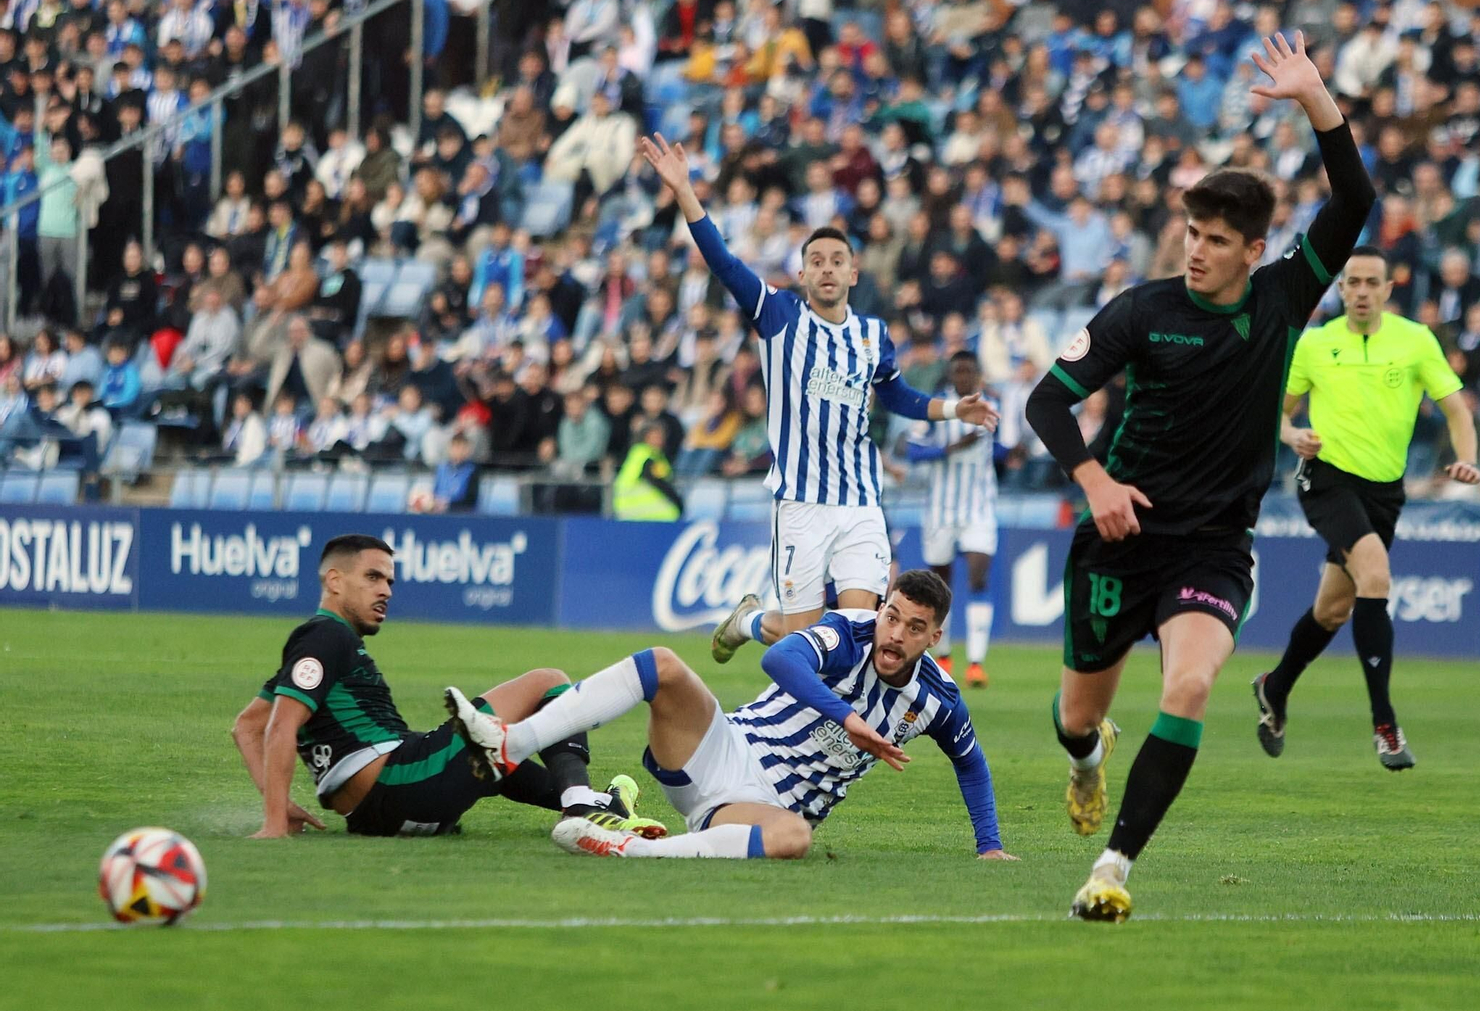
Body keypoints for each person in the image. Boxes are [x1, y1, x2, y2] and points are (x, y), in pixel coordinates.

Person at [1022, 32, 1376, 922]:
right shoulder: (1142, 310)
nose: (1198, 251)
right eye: (1192, 234)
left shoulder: (1283, 298)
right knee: (1075, 716)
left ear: (1255, 250)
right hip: (1119, 538)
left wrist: (1315, 98)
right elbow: (1046, 402)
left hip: (1213, 547)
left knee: (1188, 687)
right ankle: (1086, 760)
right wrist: (1094, 480)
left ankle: (1112, 868)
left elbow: (1355, 199)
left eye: (1217, 240)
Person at [638, 133, 998, 643]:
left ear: (853, 272)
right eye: (817, 261)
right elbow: (724, 263)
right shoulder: (779, 315)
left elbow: (895, 394)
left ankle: (821, 685)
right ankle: (748, 623)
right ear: (802, 273)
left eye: (837, 260)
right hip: (801, 503)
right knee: (803, 640)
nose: (827, 268)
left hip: (860, 501)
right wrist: (684, 192)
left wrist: (952, 410)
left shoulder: (873, 334)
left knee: (857, 629)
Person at [446, 570, 1017, 863]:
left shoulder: (937, 698)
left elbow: (971, 762)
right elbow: (779, 658)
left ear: (934, 637)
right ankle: (511, 743)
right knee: (663, 663)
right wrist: (847, 718)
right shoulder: (851, 631)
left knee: (795, 838)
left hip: (760, 811)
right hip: (720, 748)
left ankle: (628, 848)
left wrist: (989, 845)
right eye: (892, 616)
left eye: (914, 628)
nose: (894, 634)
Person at [231, 534, 664, 839]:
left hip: (374, 816)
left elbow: (247, 726)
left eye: (389, 581)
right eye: (373, 577)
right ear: (334, 581)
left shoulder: (323, 645)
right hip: (402, 783)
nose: (385, 591)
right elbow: (277, 726)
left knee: (494, 751)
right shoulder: (325, 635)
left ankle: (601, 804)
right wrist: (275, 821)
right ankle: (582, 803)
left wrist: (277, 802)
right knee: (548, 681)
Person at [1259, 247, 1480, 769]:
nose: (1361, 291)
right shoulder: (1316, 344)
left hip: (1385, 491)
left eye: (1371, 282)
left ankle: (1275, 687)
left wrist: (1468, 459)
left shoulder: (1415, 340)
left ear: (1387, 290)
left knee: (1333, 610)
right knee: (1375, 576)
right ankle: (1385, 725)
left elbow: (1457, 411)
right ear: (1341, 289)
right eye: (1352, 282)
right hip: (1327, 480)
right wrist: (1291, 435)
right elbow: (1273, 413)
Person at [903, 351, 1003, 688]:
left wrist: (1011, 453)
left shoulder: (992, 405)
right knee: (940, 584)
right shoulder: (937, 408)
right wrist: (951, 448)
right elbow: (913, 450)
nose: (963, 376)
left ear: (977, 374)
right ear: (950, 374)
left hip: (979, 508)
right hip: (940, 510)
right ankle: (944, 655)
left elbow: (1000, 446)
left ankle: (976, 663)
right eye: (958, 371)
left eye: (968, 371)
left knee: (978, 576)